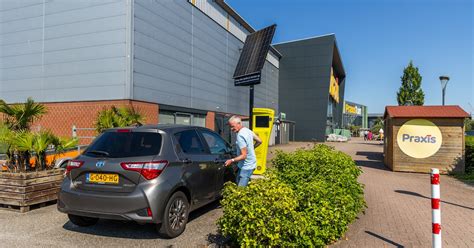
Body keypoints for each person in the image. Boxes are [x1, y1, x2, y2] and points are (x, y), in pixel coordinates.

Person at [224, 116, 262, 187]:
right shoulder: (247, 130)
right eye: (230, 127)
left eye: (232, 126)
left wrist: (231, 160)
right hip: (251, 163)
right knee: (241, 183)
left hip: (246, 167)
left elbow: (244, 155)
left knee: (240, 190)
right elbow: (259, 141)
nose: (231, 129)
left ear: (239, 123)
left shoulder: (240, 136)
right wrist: (251, 148)